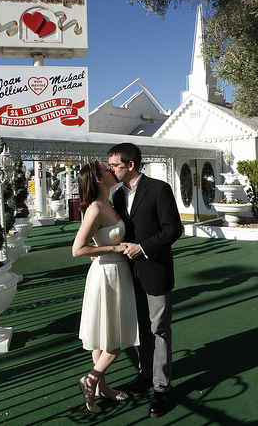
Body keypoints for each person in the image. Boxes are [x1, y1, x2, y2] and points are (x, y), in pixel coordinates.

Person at [108, 143, 182, 418]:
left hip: (155, 271)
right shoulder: (116, 195)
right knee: (142, 329)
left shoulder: (159, 189)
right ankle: (146, 373)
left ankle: (162, 388)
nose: (111, 169)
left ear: (130, 165)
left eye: (114, 165)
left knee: (159, 329)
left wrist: (144, 248)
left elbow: (173, 229)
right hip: (128, 274)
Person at [72, 160, 139, 414]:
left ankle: (103, 387)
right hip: (107, 273)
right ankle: (91, 379)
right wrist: (111, 248)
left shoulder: (109, 202)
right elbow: (77, 249)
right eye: (107, 169)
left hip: (116, 271)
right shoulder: (95, 208)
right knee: (118, 337)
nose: (112, 171)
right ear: (99, 179)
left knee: (105, 334)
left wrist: (105, 249)